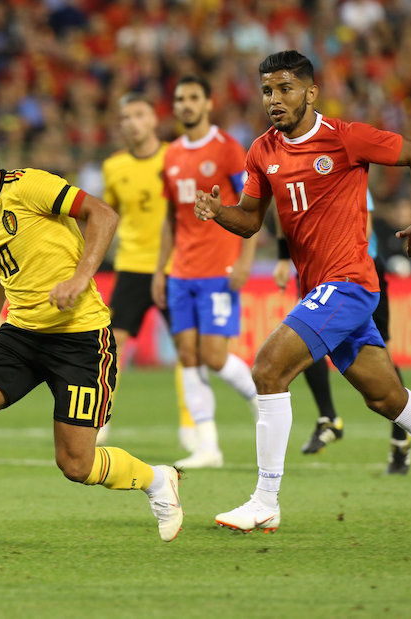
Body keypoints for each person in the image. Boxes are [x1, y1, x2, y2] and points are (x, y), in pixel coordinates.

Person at [195, 50, 411, 532]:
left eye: (285, 89)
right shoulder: (262, 151)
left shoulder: (345, 138)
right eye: (268, 90)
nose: (274, 100)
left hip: (351, 282)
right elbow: (252, 221)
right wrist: (219, 213)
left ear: (310, 91)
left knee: (269, 369)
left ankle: (265, 500)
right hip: (317, 286)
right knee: (386, 398)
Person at [0, 117, 182, 551]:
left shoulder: (30, 186)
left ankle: (158, 479)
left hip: (81, 339)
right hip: (21, 335)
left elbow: (102, 214)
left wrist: (82, 278)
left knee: (76, 464)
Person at [153, 75, 260, 469]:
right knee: (188, 356)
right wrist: (160, 270)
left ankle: (259, 397)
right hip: (181, 270)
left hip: (220, 267)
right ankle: (207, 447)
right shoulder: (171, 155)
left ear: (208, 103)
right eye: (180, 98)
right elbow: (170, 218)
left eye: (193, 98)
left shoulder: (228, 150)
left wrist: (245, 260)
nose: (185, 104)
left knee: (214, 357)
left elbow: (253, 206)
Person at [276, 190, 411, 473]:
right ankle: (328, 417)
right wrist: (283, 257)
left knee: (380, 357)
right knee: (303, 338)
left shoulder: (347, 172)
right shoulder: (300, 171)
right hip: (321, 273)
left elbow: (364, 227)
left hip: (362, 274)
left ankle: (401, 438)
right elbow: (285, 212)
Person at [98, 92, 194, 452]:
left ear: (155, 119)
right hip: (132, 267)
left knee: (187, 348)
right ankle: (100, 420)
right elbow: (108, 215)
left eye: (139, 115)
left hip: (174, 266)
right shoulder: (114, 167)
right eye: (125, 117)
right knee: (112, 344)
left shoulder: (177, 157)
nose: (132, 123)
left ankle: (191, 425)